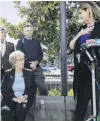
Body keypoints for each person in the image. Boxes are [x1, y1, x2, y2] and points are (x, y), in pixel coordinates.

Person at [69, 2, 100, 121]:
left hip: (95, 71)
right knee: (80, 105)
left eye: (81, 13)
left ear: (88, 10)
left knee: (96, 105)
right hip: (82, 72)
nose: (80, 16)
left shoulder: (98, 26)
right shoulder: (82, 28)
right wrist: (80, 34)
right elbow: (71, 46)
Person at [1, 50, 37, 121]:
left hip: (25, 99)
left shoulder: (29, 73)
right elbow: (4, 89)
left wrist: (25, 96)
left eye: (23, 59)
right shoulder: (7, 73)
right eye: (20, 59)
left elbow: (33, 87)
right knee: (5, 111)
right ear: (14, 62)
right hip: (11, 99)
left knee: (20, 109)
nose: (23, 61)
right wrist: (15, 98)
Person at [16, 23, 48, 95]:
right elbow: (20, 55)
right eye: (27, 31)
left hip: (37, 68)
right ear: (23, 32)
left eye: (30, 30)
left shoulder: (37, 42)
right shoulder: (20, 42)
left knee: (43, 88)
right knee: (28, 90)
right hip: (26, 68)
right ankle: (29, 105)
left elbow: (40, 54)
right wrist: (30, 64)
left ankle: (44, 104)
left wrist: (36, 62)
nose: (29, 32)